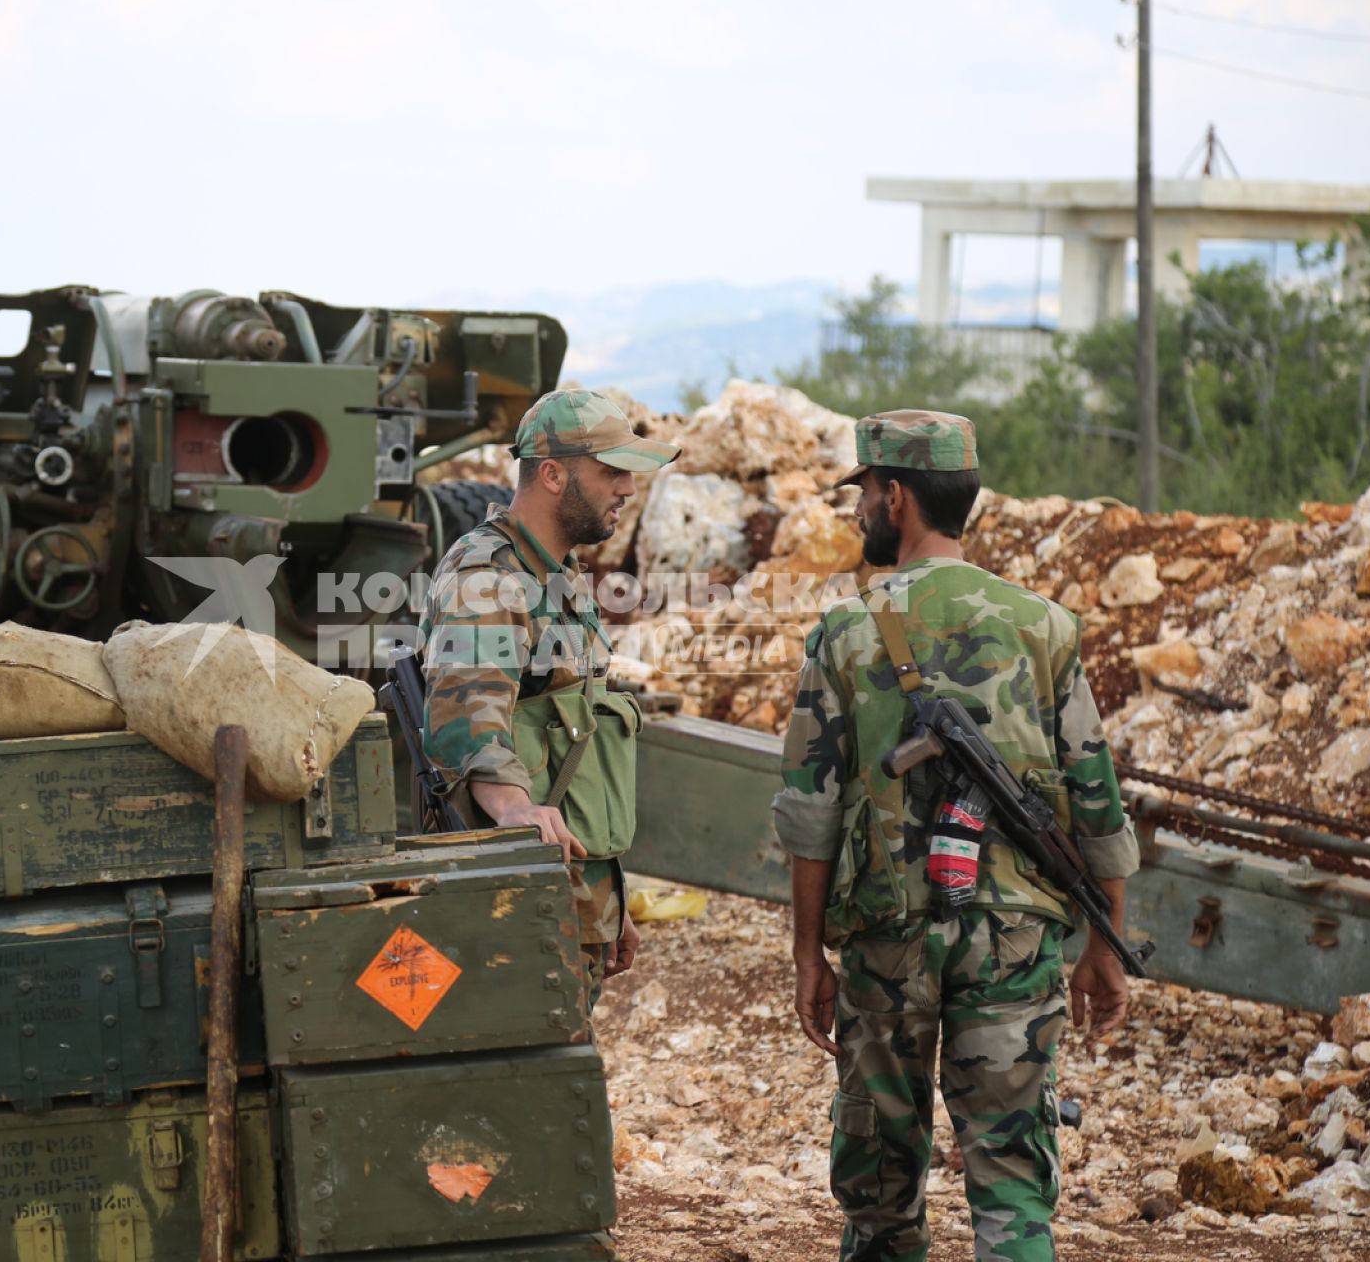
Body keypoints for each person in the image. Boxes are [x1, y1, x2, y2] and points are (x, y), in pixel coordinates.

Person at [772, 410, 1141, 1262]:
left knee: (880, 1205)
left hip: (887, 940)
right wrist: (1104, 944)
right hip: (1015, 939)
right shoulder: (1044, 626)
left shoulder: (846, 631)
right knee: (1013, 1197)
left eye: (865, 491)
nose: (858, 508)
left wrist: (805, 955)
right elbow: (1096, 798)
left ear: (896, 497)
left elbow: (809, 813)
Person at [420, 387, 680, 1005]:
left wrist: (610, 899)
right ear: (554, 474)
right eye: (611, 472)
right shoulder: (488, 579)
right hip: (515, 895)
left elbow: (570, 741)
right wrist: (511, 808)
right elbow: (468, 720)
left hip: (570, 888)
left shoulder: (554, 576)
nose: (628, 489)